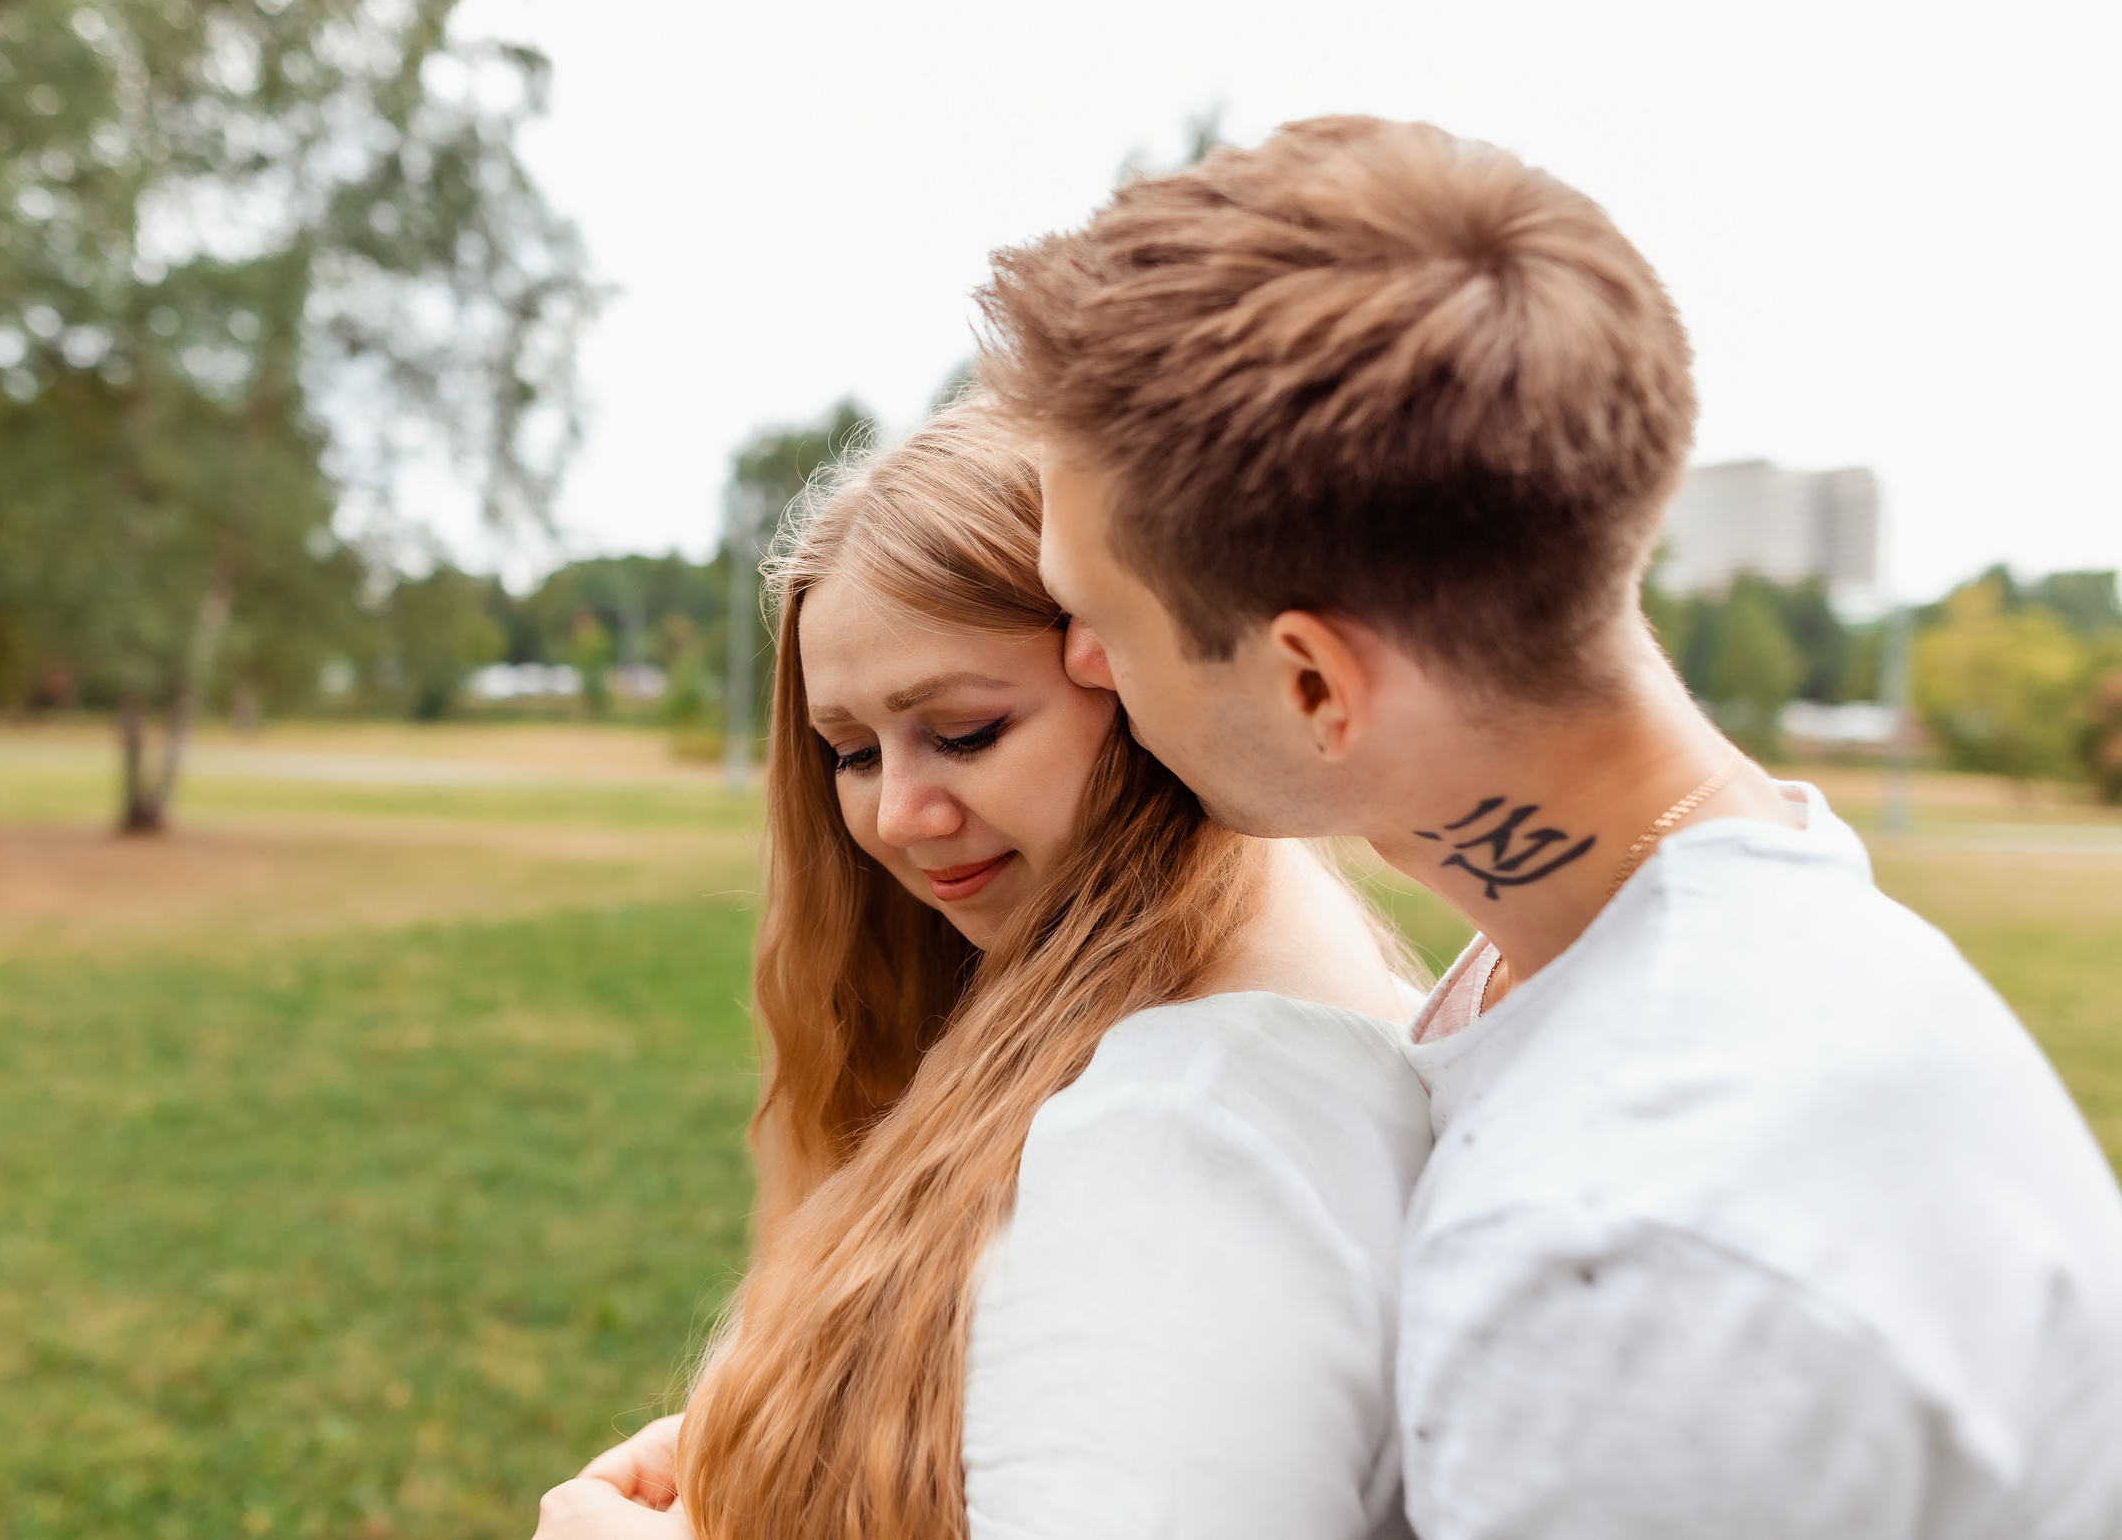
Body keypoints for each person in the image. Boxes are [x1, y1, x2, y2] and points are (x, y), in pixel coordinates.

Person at [980, 113, 2122, 1538]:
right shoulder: (1706, 930)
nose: (1081, 664)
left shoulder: (1628, 1243)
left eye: (1094, 617)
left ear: (1314, 682)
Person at [536, 402, 1432, 1539]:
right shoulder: (1222, 1049)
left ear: (1133, 674)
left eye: (962, 732)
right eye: (851, 754)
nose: (899, 817)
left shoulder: (1186, 1135)